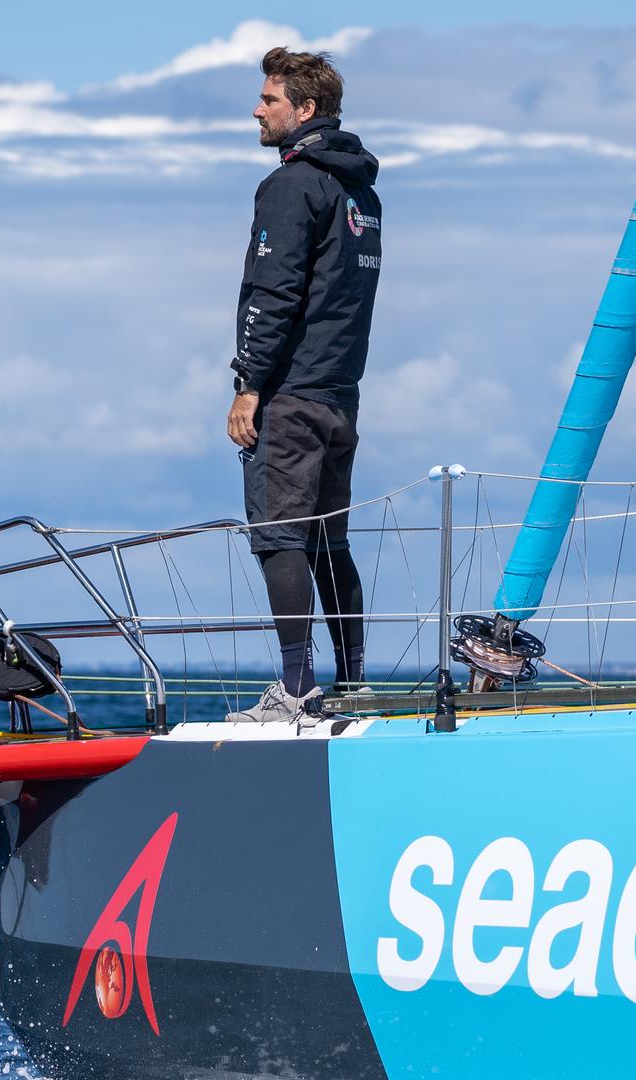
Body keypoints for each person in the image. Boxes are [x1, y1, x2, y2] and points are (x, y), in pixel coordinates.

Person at [225, 47, 382, 724]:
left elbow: (275, 292)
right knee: (328, 540)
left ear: (305, 110)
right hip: (340, 396)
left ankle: (296, 690)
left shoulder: (292, 184)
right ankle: (352, 683)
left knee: (280, 536)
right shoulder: (362, 192)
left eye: (269, 99)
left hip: (290, 398)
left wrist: (249, 386)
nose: (257, 110)